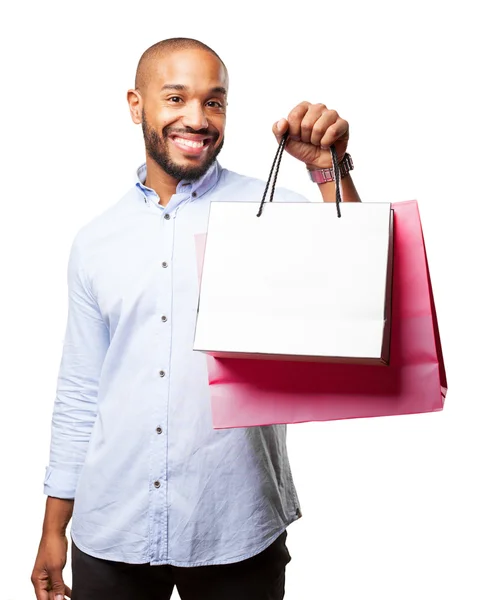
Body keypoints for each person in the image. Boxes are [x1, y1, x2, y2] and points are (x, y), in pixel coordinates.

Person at [31, 37, 361, 600]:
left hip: (236, 525)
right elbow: (82, 391)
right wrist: (52, 526)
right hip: (113, 527)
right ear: (137, 106)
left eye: (215, 102)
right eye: (176, 97)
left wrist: (332, 171)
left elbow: (361, 291)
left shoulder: (271, 213)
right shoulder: (94, 242)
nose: (197, 118)